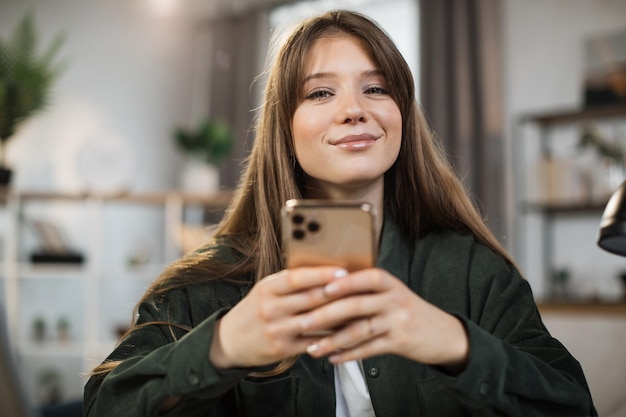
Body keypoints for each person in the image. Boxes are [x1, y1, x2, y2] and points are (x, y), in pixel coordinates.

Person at [84, 9, 597, 417]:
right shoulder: (202, 284)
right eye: (321, 92)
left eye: (376, 88)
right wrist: (224, 346)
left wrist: (451, 341)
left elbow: (573, 404)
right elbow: (106, 404)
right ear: (284, 126)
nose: (355, 109)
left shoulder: (472, 271)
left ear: (401, 115)